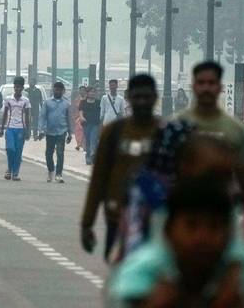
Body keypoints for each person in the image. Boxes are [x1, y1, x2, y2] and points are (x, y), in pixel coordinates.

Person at [108, 178, 244, 307]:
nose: (203, 237)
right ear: (168, 231)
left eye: (214, 226)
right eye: (191, 225)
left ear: (229, 234)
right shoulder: (142, 273)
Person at [82, 74, 161, 263]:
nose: (142, 102)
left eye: (146, 97)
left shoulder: (164, 132)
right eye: (137, 97)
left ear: (155, 98)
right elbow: (98, 178)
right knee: (117, 264)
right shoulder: (114, 132)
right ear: (129, 99)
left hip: (155, 217)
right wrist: (87, 223)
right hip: (117, 212)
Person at [177, 61, 244, 197]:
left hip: (224, 204)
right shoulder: (177, 125)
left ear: (219, 87)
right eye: (201, 83)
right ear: (193, 86)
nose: (206, 88)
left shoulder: (236, 129)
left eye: (211, 83)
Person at [0, 76, 30, 181]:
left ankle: (15, 173)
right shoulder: (8, 99)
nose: (17, 89)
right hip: (10, 127)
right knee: (10, 149)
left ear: (22, 88)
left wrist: (27, 130)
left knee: (18, 152)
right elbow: (5, 114)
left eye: (19, 87)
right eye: (16, 87)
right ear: (14, 87)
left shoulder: (25, 101)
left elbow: (27, 116)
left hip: (21, 128)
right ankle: (9, 168)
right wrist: (2, 128)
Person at [40, 81, 72, 183]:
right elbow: (43, 116)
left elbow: (69, 119)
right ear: (53, 90)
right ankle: (50, 170)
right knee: (48, 154)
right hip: (50, 131)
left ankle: (59, 174)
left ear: (63, 91)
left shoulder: (67, 104)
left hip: (62, 131)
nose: (58, 91)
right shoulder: (47, 102)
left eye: (60, 90)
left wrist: (70, 133)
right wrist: (41, 129)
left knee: (60, 153)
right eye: (56, 89)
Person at [81, 86, 103, 165]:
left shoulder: (98, 102)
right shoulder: (83, 102)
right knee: (88, 141)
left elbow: (101, 112)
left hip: (95, 124)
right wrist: (82, 117)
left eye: (94, 92)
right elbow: (80, 111)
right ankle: (88, 157)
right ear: (87, 93)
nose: (92, 93)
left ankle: (92, 155)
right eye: (90, 92)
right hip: (86, 124)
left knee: (93, 139)